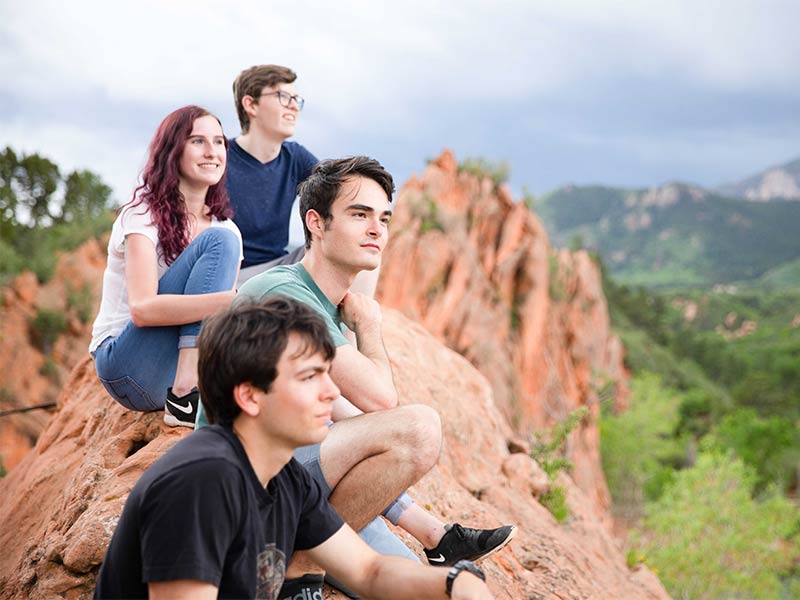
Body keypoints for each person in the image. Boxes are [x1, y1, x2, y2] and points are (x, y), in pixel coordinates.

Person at [235, 156, 516, 598]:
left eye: (383, 218)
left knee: (417, 588)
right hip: (248, 486)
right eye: (359, 214)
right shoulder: (285, 295)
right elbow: (381, 403)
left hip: (302, 487)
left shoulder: (324, 302)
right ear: (317, 223)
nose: (376, 230)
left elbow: (347, 419)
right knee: (420, 428)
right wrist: (368, 325)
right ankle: (301, 570)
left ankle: (397, 543)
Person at [94, 296, 494, 600]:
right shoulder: (202, 482)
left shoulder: (283, 477)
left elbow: (369, 571)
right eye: (309, 378)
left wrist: (456, 582)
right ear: (250, 397)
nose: (331, 392)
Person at [89, 105, 242, 428]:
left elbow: (211, 324)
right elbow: (143, 309)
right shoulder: (141, 215)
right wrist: (232, 301)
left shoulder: (227, 228)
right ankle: (186, 395)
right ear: (174, 150)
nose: (212, 152)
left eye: (219, 142)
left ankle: (190, 390)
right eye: (198, 141)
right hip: (127, 364)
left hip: (170, 371)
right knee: (220, 243)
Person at [227, 64, 380, 297]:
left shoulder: (295, 157)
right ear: (251, 104)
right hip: (231, 273)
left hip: (280, 266)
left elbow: (339, 190)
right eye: (282, 96)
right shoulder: (219, 156)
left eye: (296, 99)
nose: (292, 106)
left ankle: (347, 333)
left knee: (363, 249)